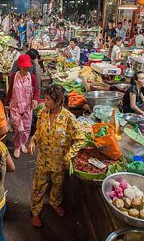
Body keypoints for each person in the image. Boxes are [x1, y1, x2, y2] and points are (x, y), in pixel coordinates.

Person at [28, 84, 85, 228]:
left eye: (47, 99)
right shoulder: (42, 113)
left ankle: (54, 203)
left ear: (58, 101)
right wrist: (33, 141)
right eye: (45, 98)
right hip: (43, 159)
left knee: (58, 185)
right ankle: (35, 212)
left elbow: (80, 139)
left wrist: (69, 155)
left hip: (59, 161)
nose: (44, 101)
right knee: (38, 186)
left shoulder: (68, 118)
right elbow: (38, 133)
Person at [5, 55, 39, 158]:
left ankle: (23, 143)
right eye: (24, 67)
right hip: (15, 107)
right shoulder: (13, 76)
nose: (26, 69)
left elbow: (36, 91)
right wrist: (6, 103)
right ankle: (17, 146)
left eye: (27, 67)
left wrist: (35, 100)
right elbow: (10, 90)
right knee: (18, 129)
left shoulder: (32, 77)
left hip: (28, 107)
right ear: (19, 66)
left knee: (26, 128)